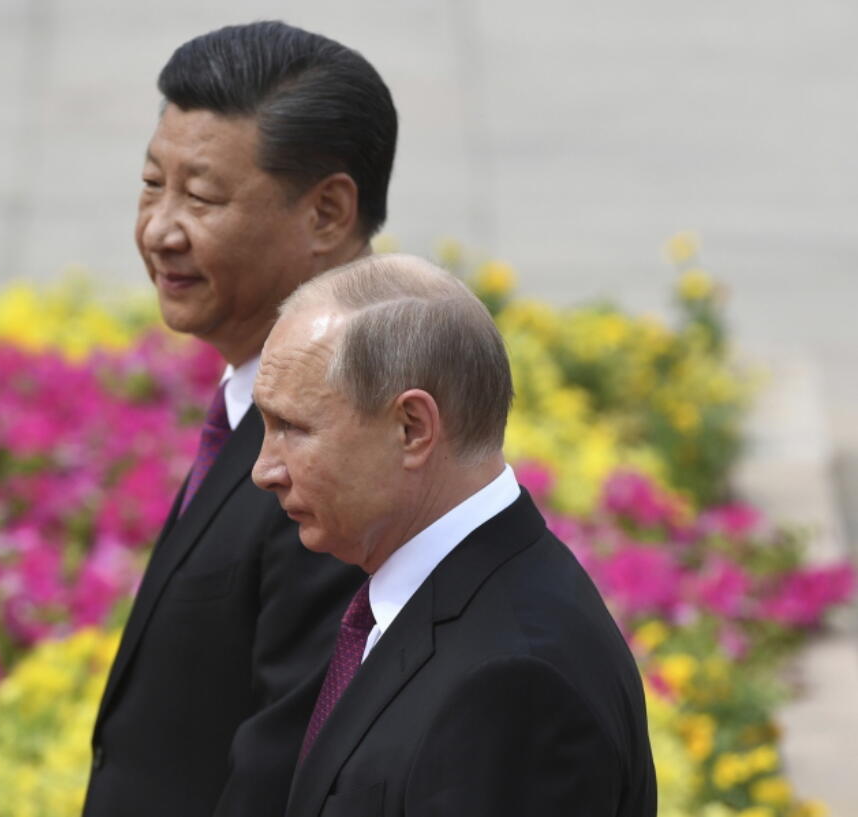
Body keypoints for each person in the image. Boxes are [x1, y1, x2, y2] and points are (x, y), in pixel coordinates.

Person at [83, 22, 397, 817]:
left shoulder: (343, 450)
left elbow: (287, 773)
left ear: (327, 213)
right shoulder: (251, 400)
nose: (160, 229)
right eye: (154, 184)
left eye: (203, 197)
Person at [251, 254, 657, 817]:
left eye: (293, 428)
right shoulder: (438, 597)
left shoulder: (514, 684)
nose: (264, 469)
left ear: (412, 428)